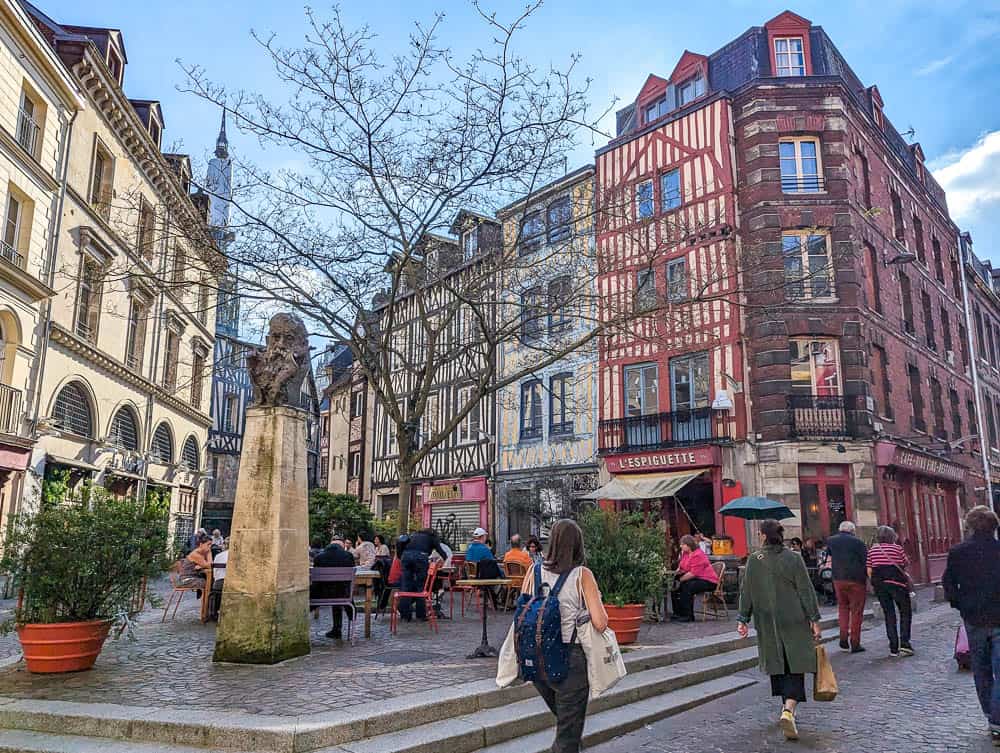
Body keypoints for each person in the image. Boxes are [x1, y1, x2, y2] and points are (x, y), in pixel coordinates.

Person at [520, 519, 608, 753]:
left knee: (568, 725)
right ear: (578, 544)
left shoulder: (534, 570)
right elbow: (601, 622)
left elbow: (523, 609)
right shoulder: (582, 574)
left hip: (537, 661)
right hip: (570, 661)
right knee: (568, 736)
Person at [737, 519, 822, 741]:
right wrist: (814, 618)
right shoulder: (794, 558)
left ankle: (787, 708)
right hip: (794, 616)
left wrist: (742, 618)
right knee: (796, 662)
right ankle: (789, 709)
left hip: (767, 620)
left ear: (763, 536)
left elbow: (747, 591)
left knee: (778, 661)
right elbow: (806, 589)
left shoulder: (755, 560)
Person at [943, 505, 1000, 747]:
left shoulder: (958, 552)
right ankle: (997, 720)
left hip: (974, 618)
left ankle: (992, 717)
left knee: (982, 669)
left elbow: (948, 583)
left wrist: (960, 605)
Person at [866, 525, 913, 658]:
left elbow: (869, 569)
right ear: (892, 536)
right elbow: (905, 563)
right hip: (897, 584)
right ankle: (905, 643)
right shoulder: (897, 548)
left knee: (889, 614)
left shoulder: (873, 550)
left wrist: (875, 583)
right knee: (905, 612)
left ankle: (893, 647)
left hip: (880, 585)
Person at [824, 520, 868, 652]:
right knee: (856, 611)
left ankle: (843, 637)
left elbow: (830, 556)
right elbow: (865, 560)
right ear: (852, 530)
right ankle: (855, 642)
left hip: (838, 578)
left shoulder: (831, 541)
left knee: (843, 607)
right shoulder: (858, 542)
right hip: (856, 580)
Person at [399, 528, 449, 622]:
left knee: (406, 586)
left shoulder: (413, 535)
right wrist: (441, 561)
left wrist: (402, 556)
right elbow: (442, 552)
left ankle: (405, 616)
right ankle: (420, 615)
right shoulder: (432, 537)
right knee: (421, 587)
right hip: (421, 557)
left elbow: (401, 546)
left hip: (406, 556)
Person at [311, 535, 356, 640]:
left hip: (320, 595)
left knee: (332, 587)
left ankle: (336, 630)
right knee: (338, 589)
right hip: (344, 595)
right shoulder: (348, 556)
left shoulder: (319, 557)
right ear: (342, 545)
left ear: (330, 544)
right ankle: (337, 629)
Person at [670, 534, 719, 622]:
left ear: (688, 545)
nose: (680, 546)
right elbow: (681, 567)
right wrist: (676, 574)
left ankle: (688, 615)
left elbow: (693, 573)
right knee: (675, 589)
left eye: (682, 544)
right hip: (697, 578)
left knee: (687, 587)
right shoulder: (685, 554)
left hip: (708, 581)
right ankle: (677, 613)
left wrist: (679, 580)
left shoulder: (698, 554)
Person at [207, 538, 229, 621]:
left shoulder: (218, 556)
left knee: (216, 590)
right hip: (230, 584)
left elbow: (215, 573)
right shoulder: (236, 556)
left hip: (218, 584)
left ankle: (215, 612)